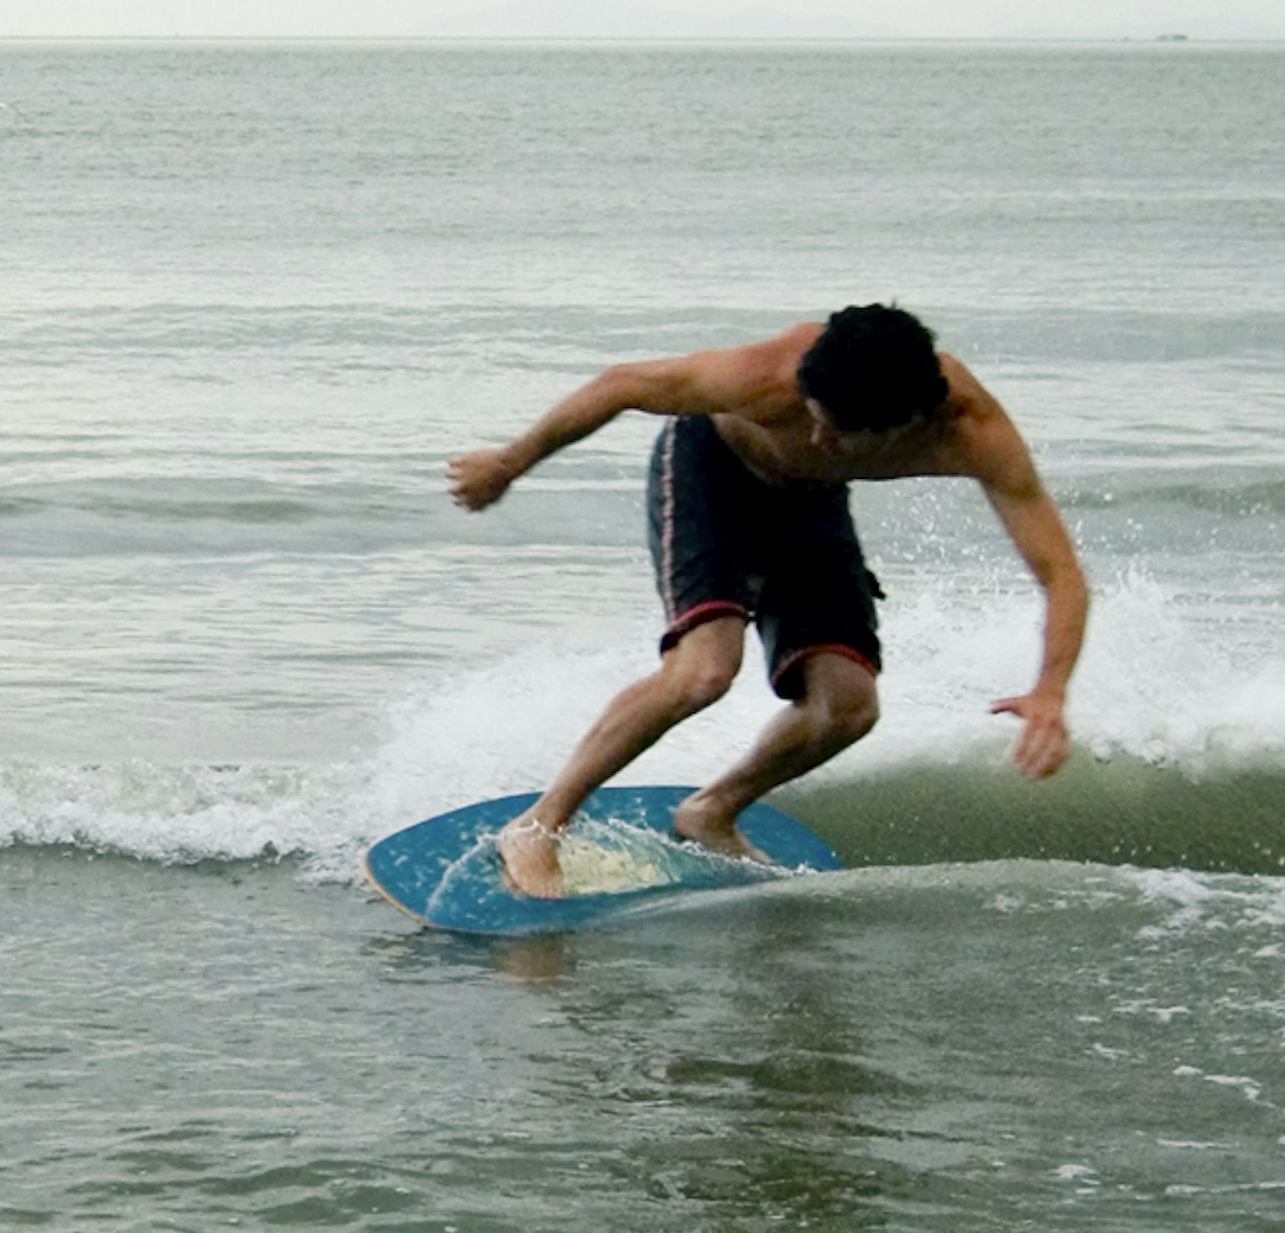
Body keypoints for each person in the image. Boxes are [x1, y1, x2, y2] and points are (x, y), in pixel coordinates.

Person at [445, 304, 1084, 897]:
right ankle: (538, 826)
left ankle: (710, 811)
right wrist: (508, 464)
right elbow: (621, 384)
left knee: (850, 708)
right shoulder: (766, 379)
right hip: (711, 473)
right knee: (704, 673)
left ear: (907, 426)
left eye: (834, 433)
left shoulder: (974, 435)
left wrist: (1050, 690)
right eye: (810, 413)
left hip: (808, 510)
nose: (813, 434)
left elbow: (1060, 573)